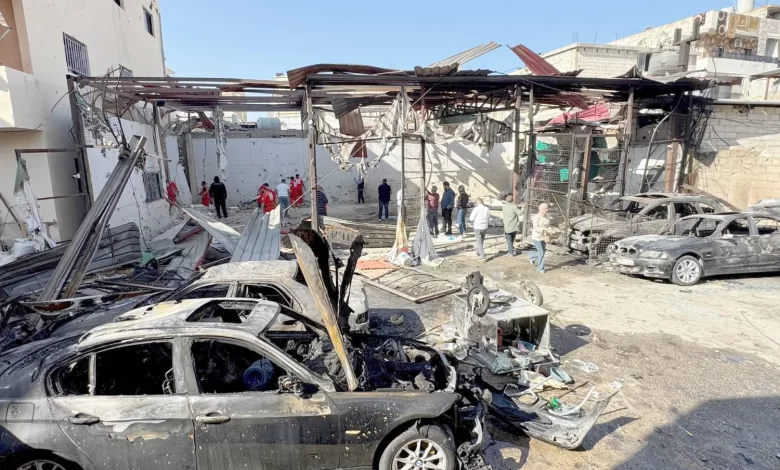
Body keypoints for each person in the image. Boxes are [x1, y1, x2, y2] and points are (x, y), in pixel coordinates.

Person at [529, 203, 551, 273]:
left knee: (542, 252)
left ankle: (532, 257)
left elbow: (548, 225)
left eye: (547, 208)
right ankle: (540, 268)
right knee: (541, 252)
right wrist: (544, 229)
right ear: (540, 209)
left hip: (544, 237)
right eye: (544, 209)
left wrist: (550, 230)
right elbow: (535, 228)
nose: (546, 210)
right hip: (537, 237)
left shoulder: (547, 216)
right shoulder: (536, 217)